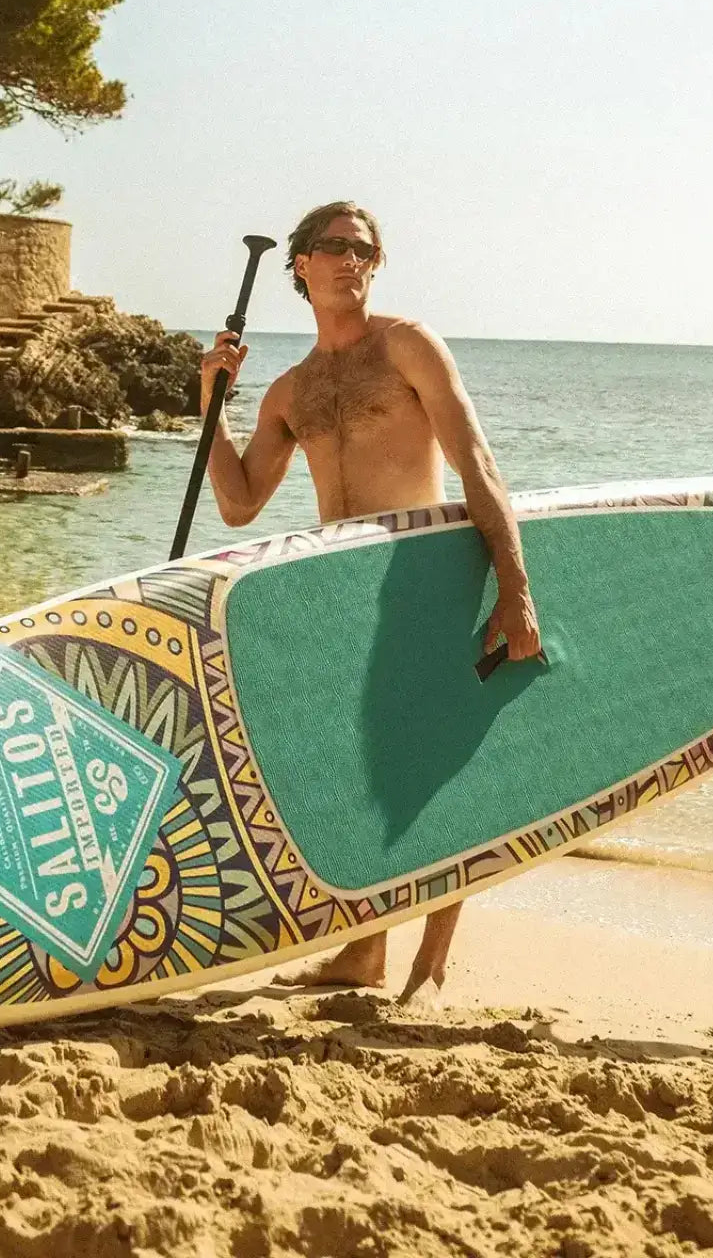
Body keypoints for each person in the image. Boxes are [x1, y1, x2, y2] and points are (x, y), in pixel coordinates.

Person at [201, 201, 541, 1001]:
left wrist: (513, 584)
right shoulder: (289, 390)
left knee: (435, 761)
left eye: (365, 249)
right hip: (339, 581)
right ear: (300, 267)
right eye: (335, 247)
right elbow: (241, 502)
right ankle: (363, 954)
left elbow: (475, 460)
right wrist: (209, 403)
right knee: (359, 763)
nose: (353, 259)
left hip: (425, 565)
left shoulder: (408, 346)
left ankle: (430, 961)